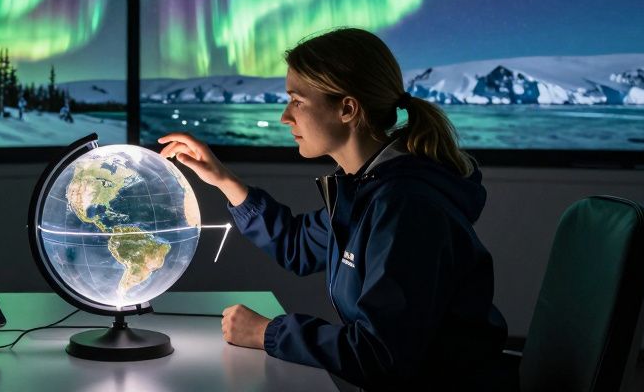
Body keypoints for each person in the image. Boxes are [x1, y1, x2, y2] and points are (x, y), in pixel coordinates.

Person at [159, 27, 509, 391]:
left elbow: (379, 354)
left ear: (346, 108)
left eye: (297, 101)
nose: (284, 117)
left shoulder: (405, 207)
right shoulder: (368, 189)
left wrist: (268, 332)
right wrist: (223, 180)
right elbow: (297, 246)